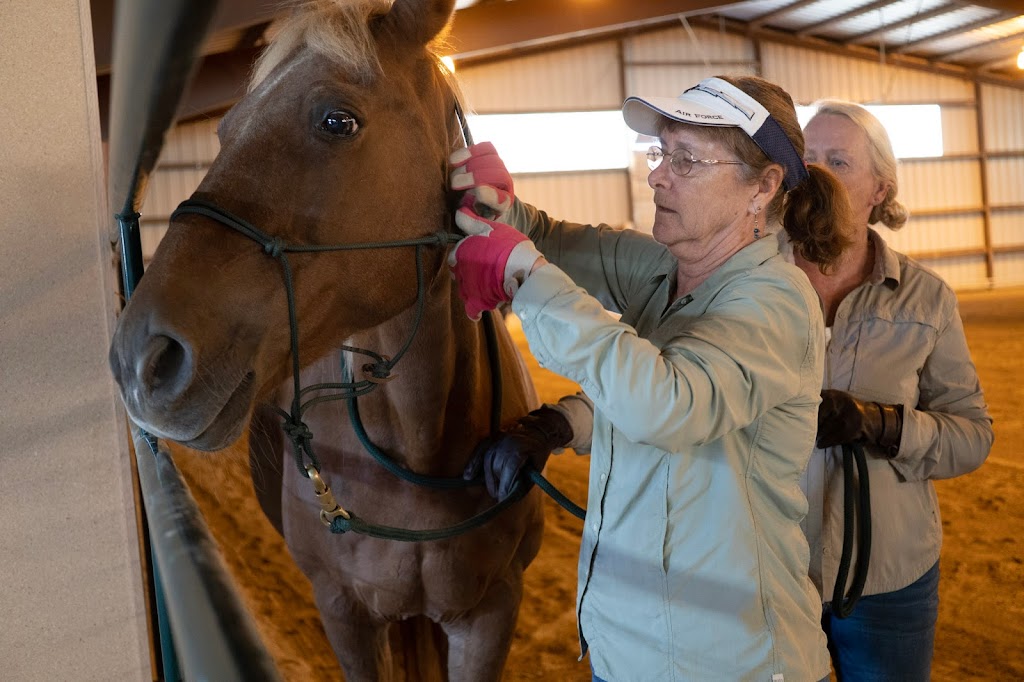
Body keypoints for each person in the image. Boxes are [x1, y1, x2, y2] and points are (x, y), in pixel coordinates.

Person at [447, 75, 854, 682]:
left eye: (688, 159)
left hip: (727, 663)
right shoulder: (667, 267)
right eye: (661, 153)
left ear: (763, 188)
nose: (658, 175)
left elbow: (666, 405)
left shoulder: (775, 301)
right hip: (632, 653)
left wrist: (526, 277)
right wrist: (499, 207)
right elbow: (552, 242)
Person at [796, 100, 993, 681]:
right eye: (806, 158)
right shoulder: (751, 283)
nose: (818, 174)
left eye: (838, 160)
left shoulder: (926, 299)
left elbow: (973, 436)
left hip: (889, 579)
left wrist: (882, 423)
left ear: (879, 189)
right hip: (769, 570)